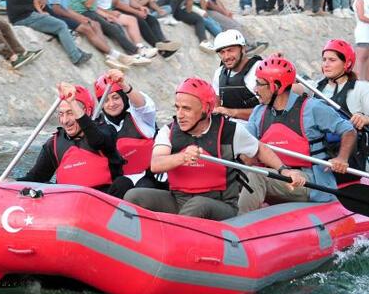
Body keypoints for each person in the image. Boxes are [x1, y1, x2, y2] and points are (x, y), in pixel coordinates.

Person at [125, 77, 304, 220]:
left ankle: (176, 243)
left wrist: (284, 170)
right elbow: (156, 164)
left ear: (206, 109)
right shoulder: (168, 131)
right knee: (133, 196)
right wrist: (182, 157)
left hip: (220, 205)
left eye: (186, 109)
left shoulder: (230, 131)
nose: (180, 115)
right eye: (177, 107)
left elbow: (260, 150)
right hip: (178, 199)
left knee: (198, 205)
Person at [241, 56, 356, 211]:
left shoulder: (313, 108)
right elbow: (246, 149)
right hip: (278, 175)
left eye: (259, 84)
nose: (255, 89)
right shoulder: (258, 112)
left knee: (256, 175)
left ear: (276, 87)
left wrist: (342, 158)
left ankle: (236, 226)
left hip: (308, 182)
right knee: (237, 172)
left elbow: (348, 130)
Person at [0, 83, 131, 198]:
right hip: (67, 203)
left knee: (124, 183)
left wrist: (72, 102)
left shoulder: (106, 131)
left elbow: (97, 141)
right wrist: (9, 183)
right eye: (61, 114)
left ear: (87, 112)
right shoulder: (53, 144)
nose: (65, 121)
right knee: (42, 190)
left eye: (70, 113)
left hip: (103, 201)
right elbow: (36, 178)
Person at [306, 39, 369, 185]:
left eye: (332, 60)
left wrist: (366, 119)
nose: (326, 64)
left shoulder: (360, 89)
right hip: (318, 155)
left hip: (348, 160)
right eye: (324, 59)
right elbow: (292, 89)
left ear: (346, 64)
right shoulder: (314, 88)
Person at [68, 0, 153, 63]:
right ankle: (135, 51)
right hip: (81, 12)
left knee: (115, 25)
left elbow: (94, 6)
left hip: (91, 11)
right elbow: (89, 4)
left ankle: (131, 52)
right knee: (110, 27)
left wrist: (106, 14)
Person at [94, 69, 159, 187]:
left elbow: (142, 105)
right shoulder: (97, 126)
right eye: (106, 100)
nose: (111, 104)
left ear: (124, 97)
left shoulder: (140, 115)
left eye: (115, 97)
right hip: (120, 183)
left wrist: (124, 84)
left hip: (150, 178)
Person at [211, 29, 263, 121]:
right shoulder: (219, 73)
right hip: (230, 130)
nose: (226, 56)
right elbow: (216, 107)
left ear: (243, 48)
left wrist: (232, 112)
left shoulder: (260, 69)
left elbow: (268, 111)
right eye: (222, 52)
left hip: (257, 129)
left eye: (230, 50)